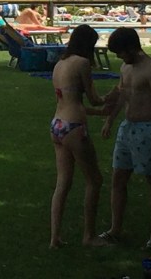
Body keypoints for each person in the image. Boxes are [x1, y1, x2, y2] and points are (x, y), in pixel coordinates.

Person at [99, 28, 151, 250]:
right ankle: (115, 229)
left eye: (121, 52)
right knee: (118, 179)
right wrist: (110, 119)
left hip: (149, 129)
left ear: (132, 48)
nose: (119, 57)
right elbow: (122, 93)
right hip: (128, 127)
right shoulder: (125, 67)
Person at [49, 24, 109, 248]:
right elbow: (93, 99)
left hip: (57, 125)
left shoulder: (60, 64)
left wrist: (98, 112)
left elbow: (69, 101)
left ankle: (55, 237)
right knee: (94, 180)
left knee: (63, 182)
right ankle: (89, 236)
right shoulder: (82, 63)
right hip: (75, 127)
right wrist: (112, 96)